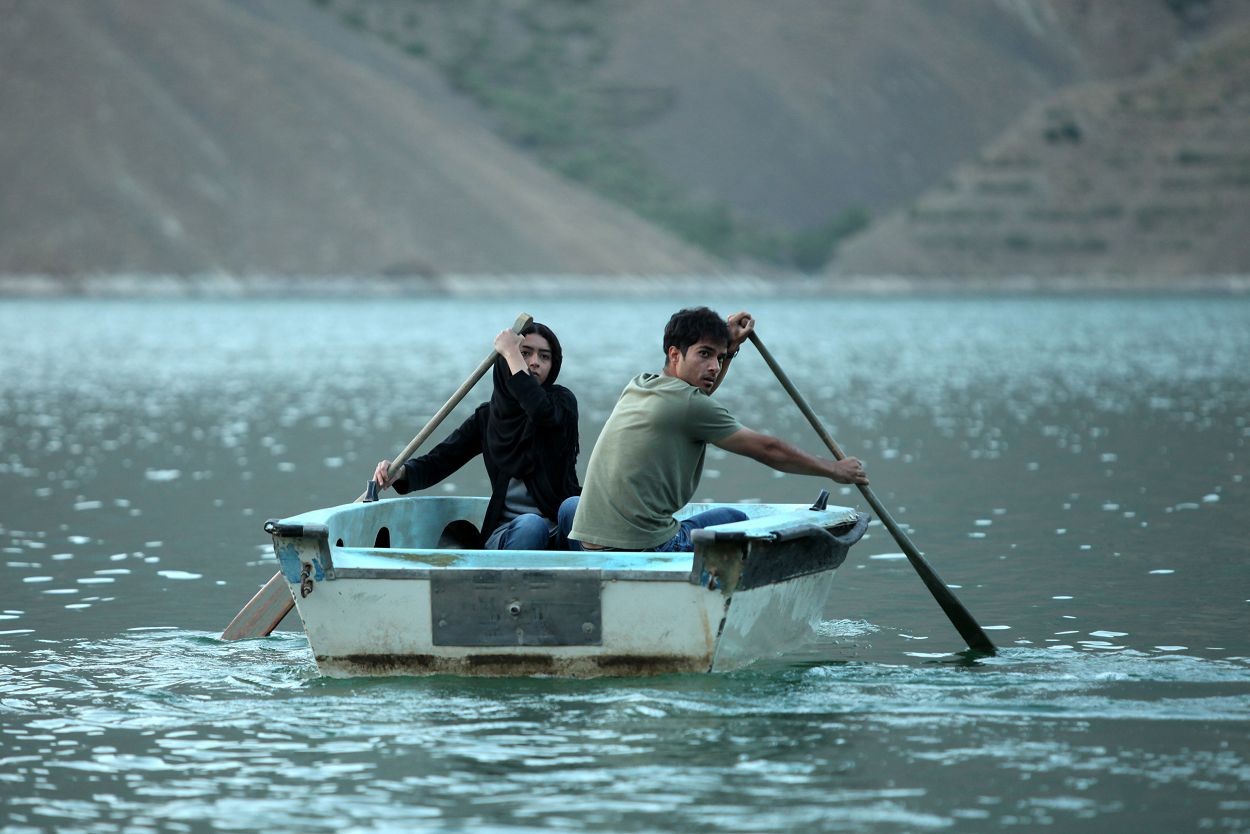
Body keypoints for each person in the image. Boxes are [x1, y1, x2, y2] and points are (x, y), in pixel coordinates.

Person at [566, 307, 868, 552]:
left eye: (719, 358)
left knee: (571, 507)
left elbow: (696, 400)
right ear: (674, 354)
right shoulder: (688, 405)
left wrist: (730, 349)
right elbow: (768, 449)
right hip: (648, 547)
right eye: (704, 354)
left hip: (588, 545)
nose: (713, 366)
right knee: (735, 519)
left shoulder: (639, 385)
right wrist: (834, 469)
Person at [372, 322, 581, 550]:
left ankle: (588, 577)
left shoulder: (562, 404)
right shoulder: (488, 418)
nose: (534, 362)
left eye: (544, 357)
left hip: (559, 533)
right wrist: (401, 473)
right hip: (509, 533)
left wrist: (511, 351)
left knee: (575, 506)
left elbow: (540, 412)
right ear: (503, 362)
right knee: (532, 526)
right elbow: (441, 460)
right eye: (525, 353)